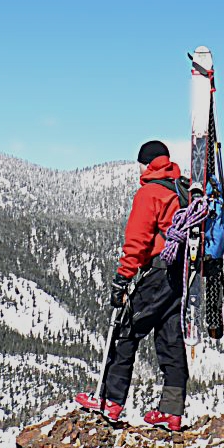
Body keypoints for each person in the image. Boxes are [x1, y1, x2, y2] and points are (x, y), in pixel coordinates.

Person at [75, 140, 189, 431]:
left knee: (125, 331)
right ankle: (171, 411)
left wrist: (122, 279)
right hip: (183, 274)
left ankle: (109, 402)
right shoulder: (182, 189)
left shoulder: (150, 193)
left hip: (158, 273)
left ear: (146, 163)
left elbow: (137, 242)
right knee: (170, 338)